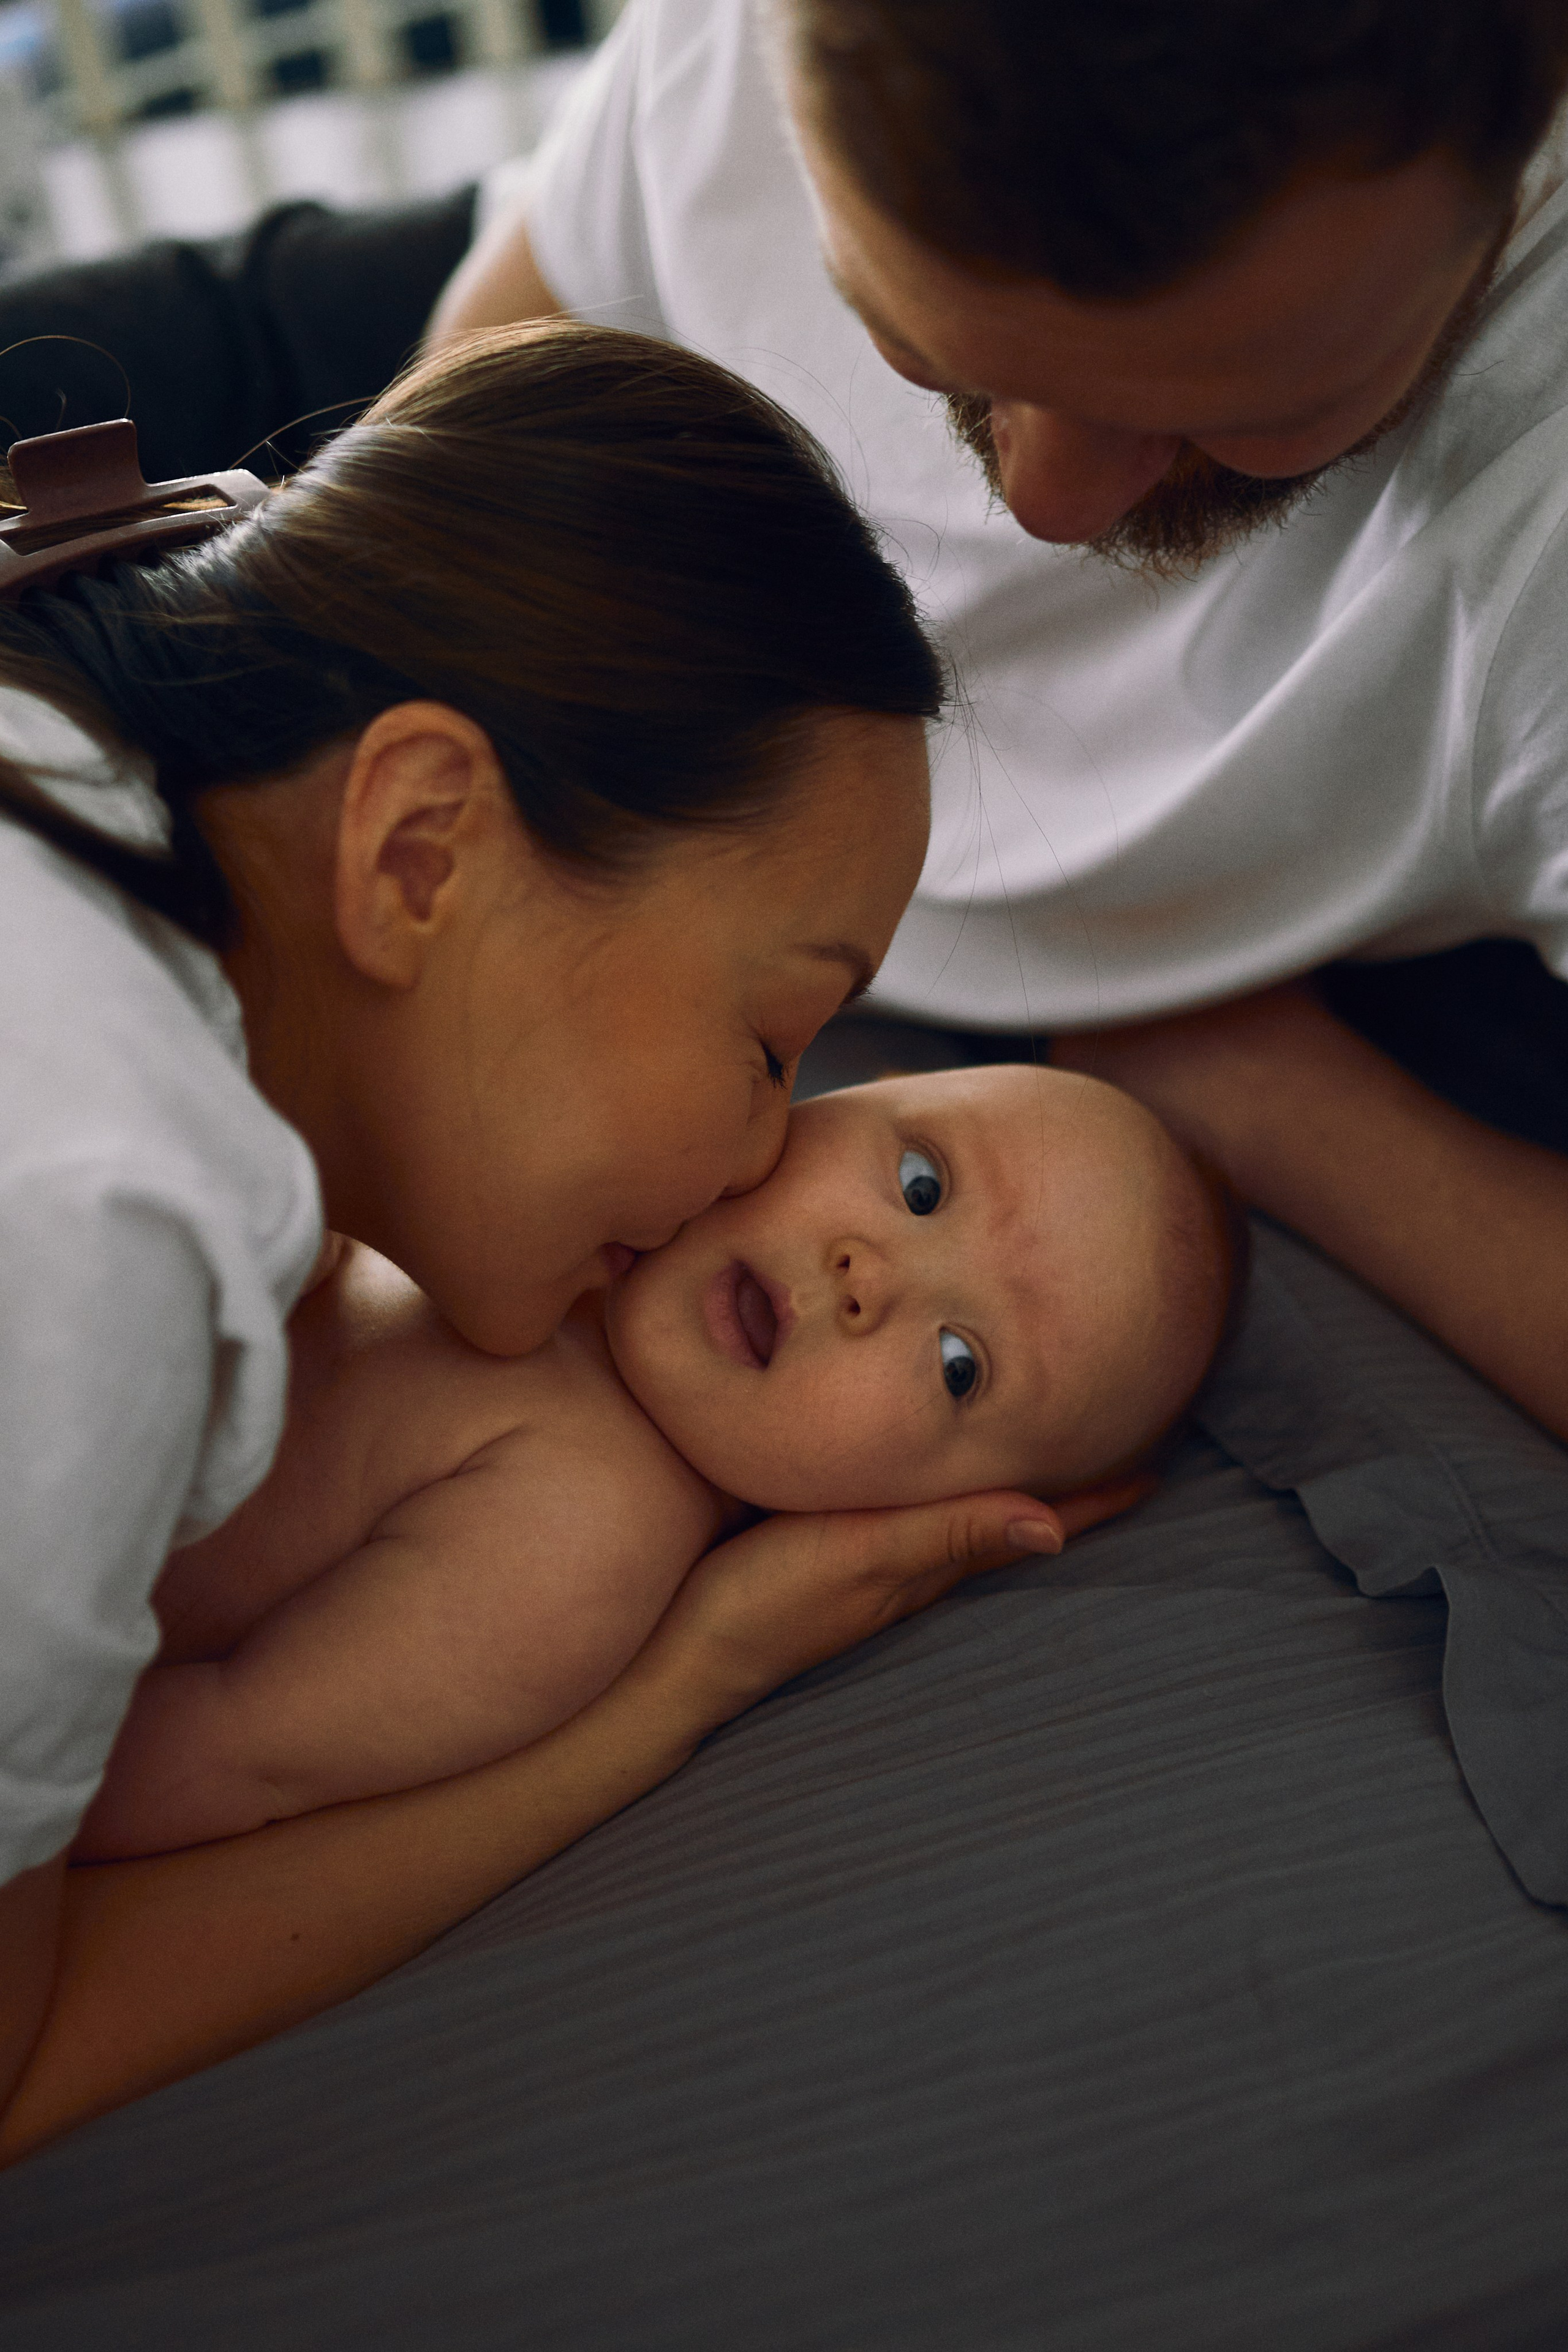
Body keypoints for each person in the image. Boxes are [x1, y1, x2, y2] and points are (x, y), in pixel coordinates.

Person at [0, 320, 1136, 2165]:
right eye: (771, 1042)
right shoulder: (97, 1205)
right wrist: (684, 1689)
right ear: (421, 847)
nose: (766, 1158)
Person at [426, 0, 1568, 1434]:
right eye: (922, 347)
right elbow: (471, 421)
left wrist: (1261, 1095)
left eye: (1234, 417)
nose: (1047, 508)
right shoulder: (747, 49)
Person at [77, 1062, 1224, 1862]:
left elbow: (233, 1751)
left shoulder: (587, 1536)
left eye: (960, 1365)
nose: (870, 1275)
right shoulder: (570, 1160)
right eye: (922, 1183)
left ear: (930, 1512)